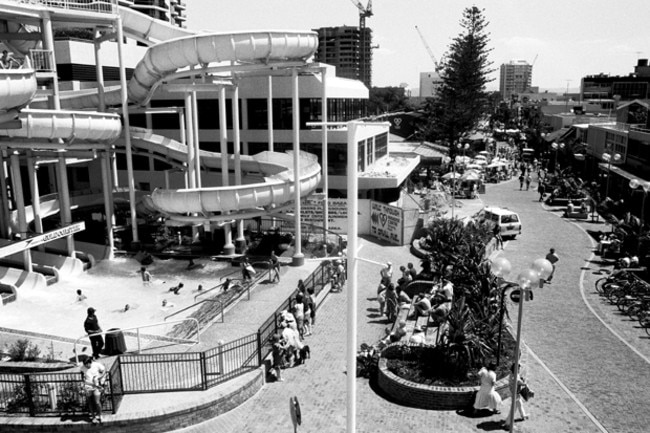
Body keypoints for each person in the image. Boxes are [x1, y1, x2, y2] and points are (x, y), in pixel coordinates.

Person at [80, 357, 107, 424]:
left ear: (90, 363)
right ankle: (93, 417)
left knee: (97, 402)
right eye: (85, 365)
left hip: (96, 386)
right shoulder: (83, 368)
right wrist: (83, 383)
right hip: (88, 386)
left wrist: (100, 377)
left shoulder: (96, 365)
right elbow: (82, 376)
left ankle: (100, 415)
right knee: (90, 402)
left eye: (87, 364)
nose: (87, 366)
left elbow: (104, 370)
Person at [503, 363, 528, 429]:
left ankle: (523, 415)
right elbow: (519, 382)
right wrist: (524, 383)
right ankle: (507, 424)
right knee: (513, 409)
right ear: (515, 369)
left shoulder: (513, 374)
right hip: (515, 394)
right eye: (518, 369)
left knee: (520, 404)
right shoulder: (514, 376)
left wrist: (521, 378)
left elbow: (518, 378)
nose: (519, 370)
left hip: (515, 393)